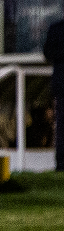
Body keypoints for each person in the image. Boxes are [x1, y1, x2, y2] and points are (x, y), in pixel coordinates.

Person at [46, 18, 64, 172]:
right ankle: (61, 163)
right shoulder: (56, 28)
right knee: (61, 126)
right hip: (62, 84)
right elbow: (48, 52)